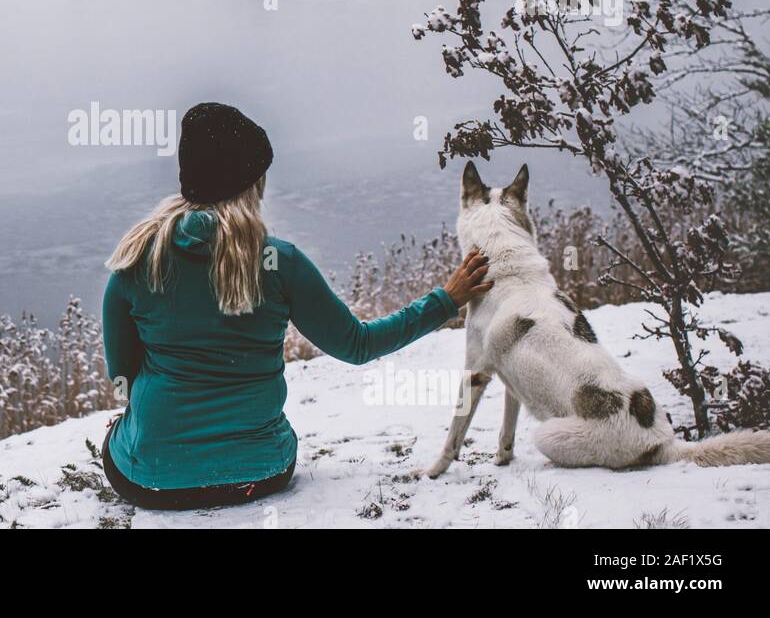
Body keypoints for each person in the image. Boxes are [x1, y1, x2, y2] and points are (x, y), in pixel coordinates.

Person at [101, 102, 492, 510]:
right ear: (250, 184)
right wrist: (445, 300)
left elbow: (122, 380)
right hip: (261, 472)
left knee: (122, 433)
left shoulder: (135, 263)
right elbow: (358, 346)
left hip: (150, 480)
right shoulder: (278, 262)